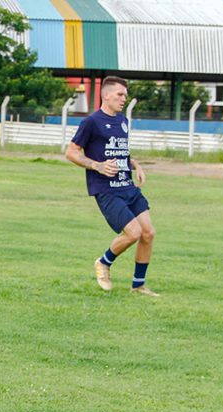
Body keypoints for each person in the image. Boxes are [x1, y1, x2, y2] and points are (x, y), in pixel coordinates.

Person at [64, 76, 159, 297]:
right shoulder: (91, 122)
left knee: (148, 233)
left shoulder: (123, 121)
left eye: (125, 95)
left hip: (128, 186)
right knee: (133, 233)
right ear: (105, 95)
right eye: (119, 94)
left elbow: (120, 152)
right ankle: (104, 262)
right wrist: (96, 165)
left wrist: (135, 164)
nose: (124, 99)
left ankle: (138, 286)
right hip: (107, 190)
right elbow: (71, 152)